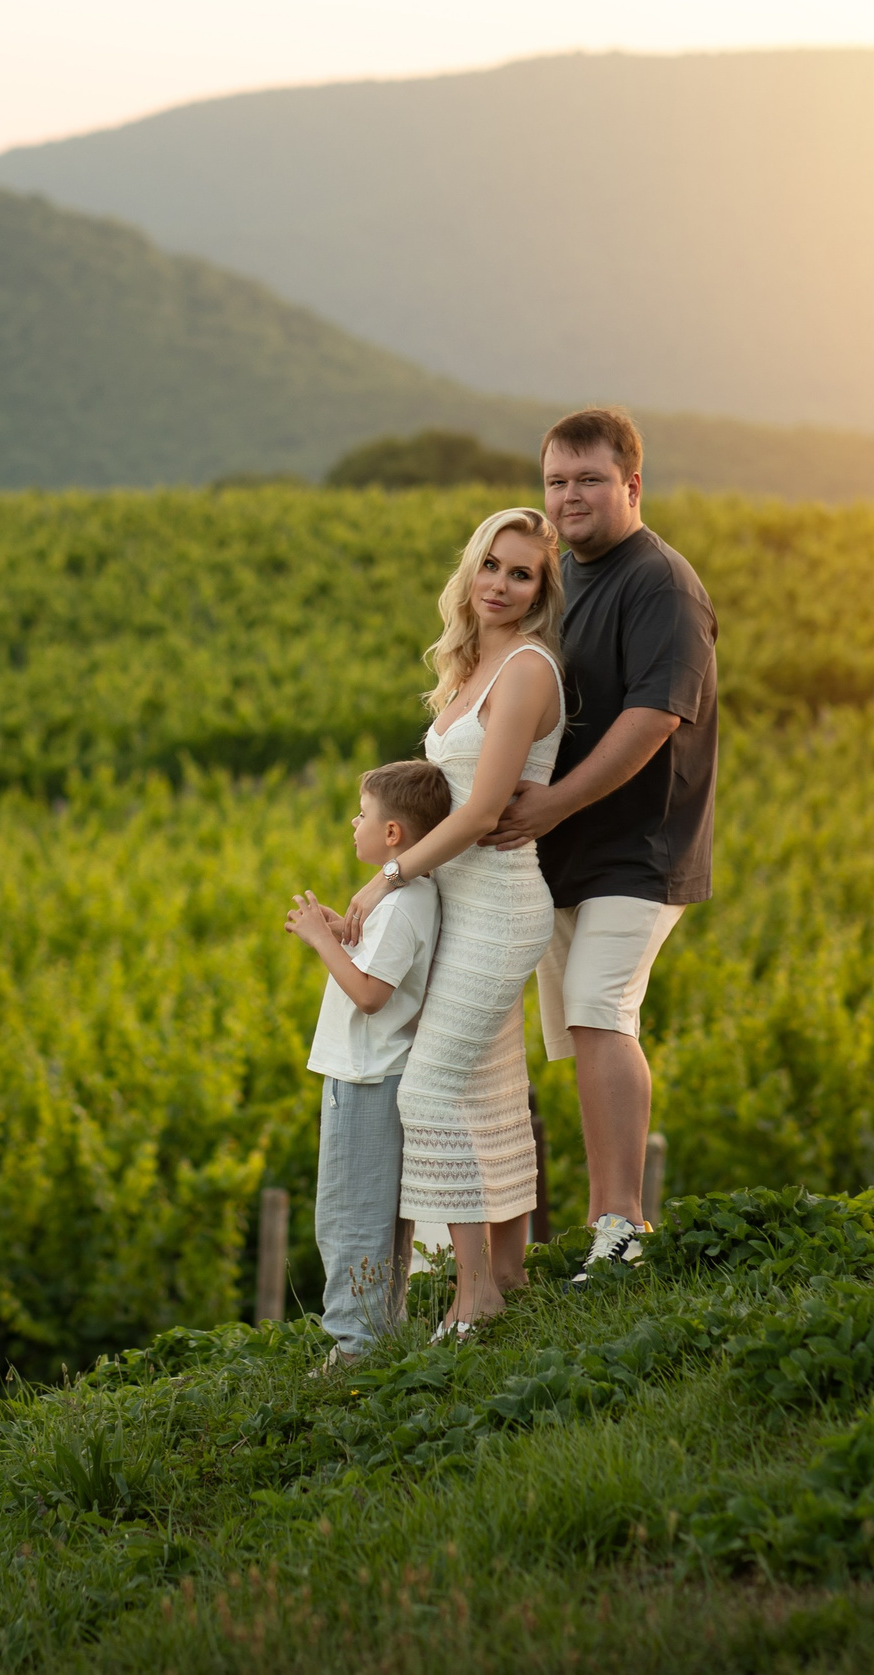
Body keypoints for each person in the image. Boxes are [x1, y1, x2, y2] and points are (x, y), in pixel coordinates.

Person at [480, 408, 716, 1277]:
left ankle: (622, 1225)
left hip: (639, 849)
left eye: (587, 479)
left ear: (632, 485)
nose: (568, 496)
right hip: (564, 855)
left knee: (598, 1008)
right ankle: (597, 1228)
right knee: (577, 1033)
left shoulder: (662, 584)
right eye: (555, 480)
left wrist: (550, 806)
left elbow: (652, 719)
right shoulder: (562, 581)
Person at [342, 507, 566, 1338]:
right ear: (471, 570)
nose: (501, 585)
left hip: (501, 905)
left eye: (522, 574)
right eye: (492, 566)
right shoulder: (473, 663)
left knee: (430, 1091)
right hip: (460, 907)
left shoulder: (529, 670)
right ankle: (504, 1277)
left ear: (542, 590)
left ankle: (473, 1297)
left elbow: (476, 814)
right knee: (488, 1090)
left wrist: (385, 879)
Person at [282, 760, 450, 1367]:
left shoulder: (404, 902)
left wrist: (323, 943)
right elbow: (381, 970)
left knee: (350, 1217)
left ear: (393, 835)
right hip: (371, 1072)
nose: (354, 822)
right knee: (371, 1216)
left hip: (365, 1074)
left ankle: (355, 1350)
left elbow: (372, 996)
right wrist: (344, 932)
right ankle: (376, 1336)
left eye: (363, 813)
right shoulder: (406, 896)